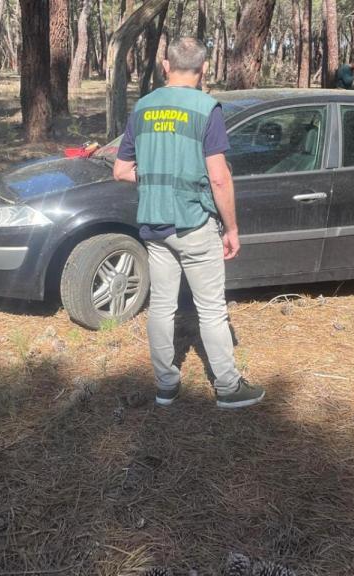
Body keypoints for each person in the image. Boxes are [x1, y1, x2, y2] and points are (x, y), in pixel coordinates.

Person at [112, 37, 265, 410]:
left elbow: (121, 171)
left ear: (166, 66)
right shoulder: (206, 108)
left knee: (162, 306)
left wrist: (156, 179)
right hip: (195, 224)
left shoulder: (143, 107)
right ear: (204, 68)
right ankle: (227, 388)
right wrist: (231, 229)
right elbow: (218, 178)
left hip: (154, 224)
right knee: (211, 309)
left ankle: (166, 386)